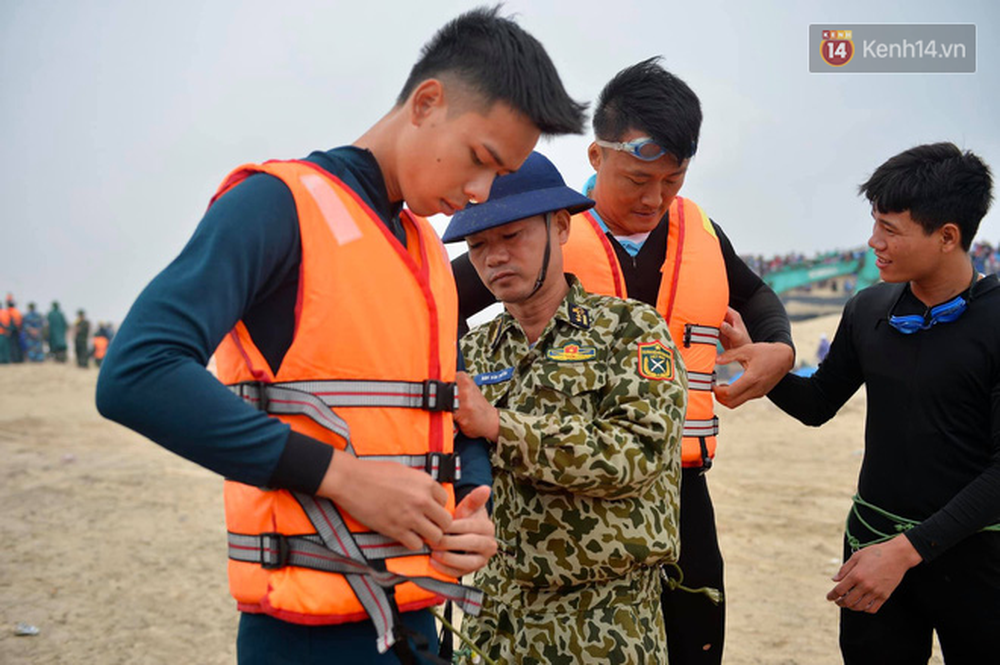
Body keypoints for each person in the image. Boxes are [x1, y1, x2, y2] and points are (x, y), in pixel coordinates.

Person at [96, 7, 587, 664]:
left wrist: (476, 501)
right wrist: (343, 477)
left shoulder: (422, 250)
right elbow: (137, 372)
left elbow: (448, 405)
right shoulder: (277, 205)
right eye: (480, 159)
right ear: (427, 103)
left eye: (497, 176)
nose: (479, 192)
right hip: (307, 635)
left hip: (418, 621)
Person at [451, 57, 794, 663]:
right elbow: (438, 301)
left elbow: (758, 296)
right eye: (638, 179)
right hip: (551, 508)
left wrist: (780, 347)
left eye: (673, 180)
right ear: (597, 157)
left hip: (680, 488)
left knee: (695, 639)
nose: (654, 197)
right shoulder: (527, 230)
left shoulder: (699, 232)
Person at [731, 142, 999, 663]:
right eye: (875, 223)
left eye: (890, 229)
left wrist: (907, 551)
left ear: (948, 237)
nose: (874, 241)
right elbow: (817, 404)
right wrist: (766, 365)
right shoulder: (869, 308)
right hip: (872, 544)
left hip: (976, 555)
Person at [442, 152, 688, 664]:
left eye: (512, 236)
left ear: (560, 226)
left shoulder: (629, 330)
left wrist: (499, 425)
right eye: (478, 245)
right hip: (492, 618)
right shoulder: (473, 350)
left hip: (601, 620)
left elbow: (636, 454)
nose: (494, 257)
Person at [6, 295, 24, 363]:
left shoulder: (9, 311)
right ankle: (19, 359)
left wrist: (9, 330)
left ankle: (14, 359)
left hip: (12, 331)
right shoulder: (17, 311)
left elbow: (10, 322)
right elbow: (20, 321)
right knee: (17, 345)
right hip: (18, 330)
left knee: (13, 345)